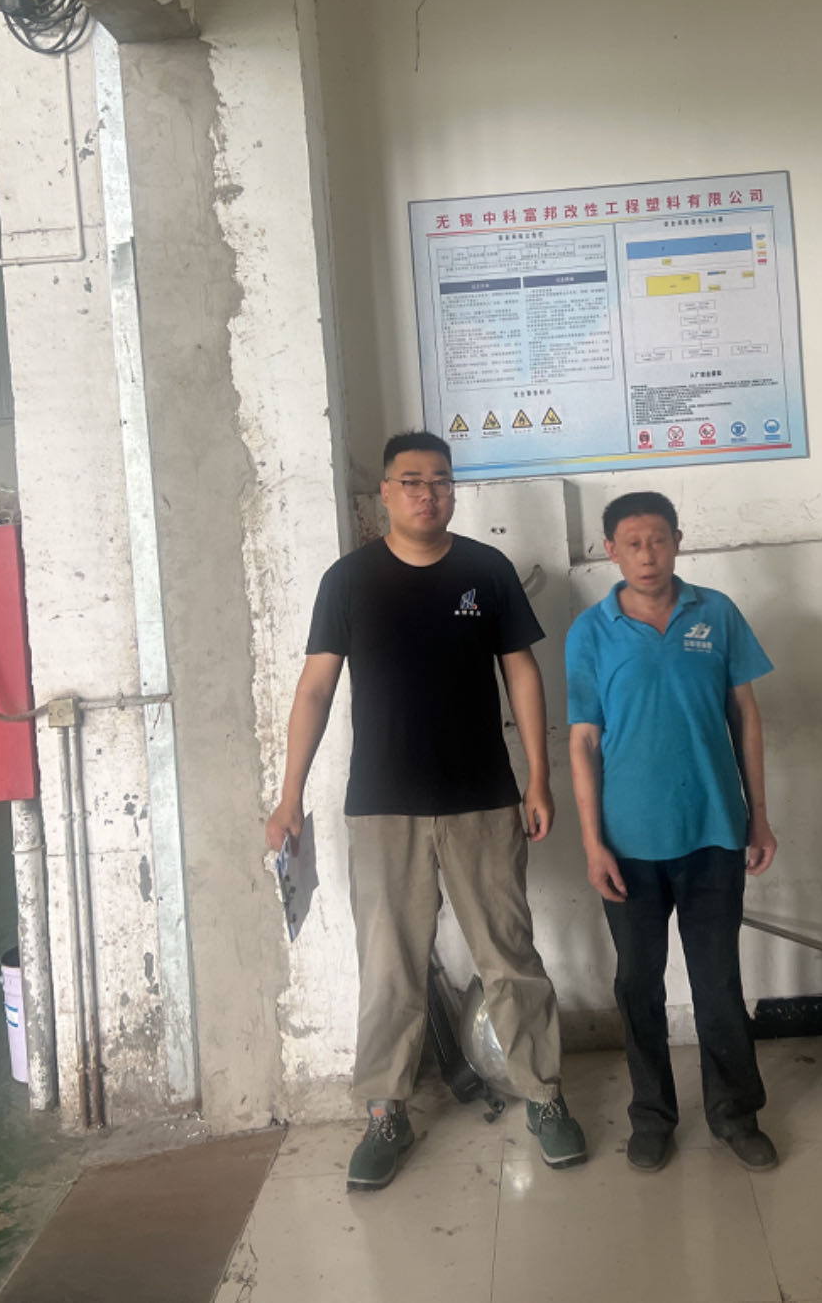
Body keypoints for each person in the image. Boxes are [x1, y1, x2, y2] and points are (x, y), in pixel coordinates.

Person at [265, 430, 585, 1190]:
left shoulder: (486, 570)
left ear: (452, 490)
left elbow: (522, 674)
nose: (427, 493)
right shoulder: (348, 581)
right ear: (386, 492)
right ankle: (386, 1112)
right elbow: (315, 689)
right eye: (411, 481)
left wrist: (539, 778)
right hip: (383, 808)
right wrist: (289, 795)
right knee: (389, 968)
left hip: (483, 799)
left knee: (509, 956)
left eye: (440, 480)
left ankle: (543, 1096)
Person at [566, 491, 778, 1175]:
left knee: (717, 983)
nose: (647, 554)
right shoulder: (590, 633)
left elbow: (746, 717)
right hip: (628, 843)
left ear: (678, 541)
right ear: (611, 551)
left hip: (713, 830)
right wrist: (593, 843)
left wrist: (758, 814)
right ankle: (652, 1117)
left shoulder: (716, 613)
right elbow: (583, 742)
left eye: (658, 539)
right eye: (632, 543)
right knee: (638, 986)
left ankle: (735, 1114)